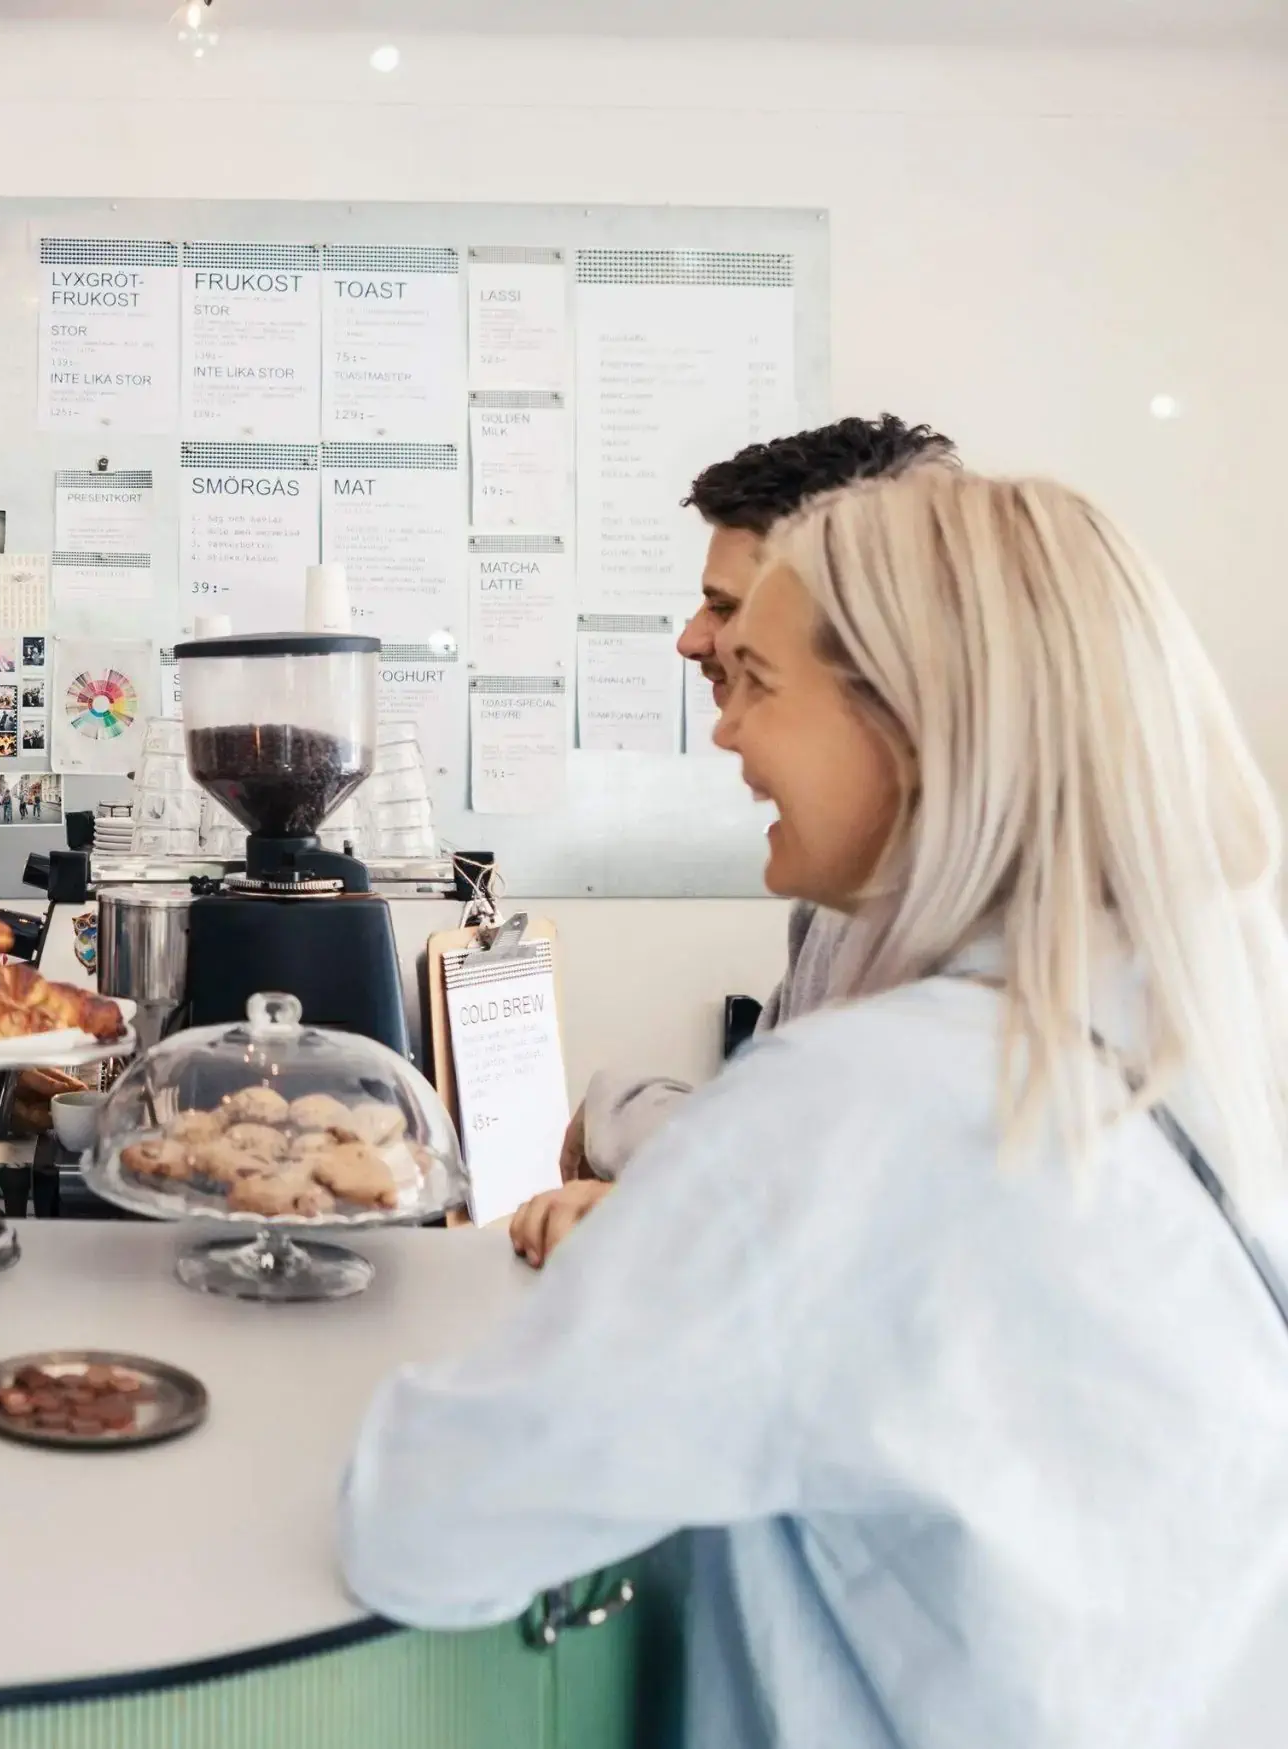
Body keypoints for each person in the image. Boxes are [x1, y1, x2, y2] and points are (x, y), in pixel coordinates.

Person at [341, 468, 1288, 1748]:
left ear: (914, 727)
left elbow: (424, 1524)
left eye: (758, 684)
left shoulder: (861, 1105)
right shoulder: (1190, 1033)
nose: (727, 735)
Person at [548, 416, 957, 1213]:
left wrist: (619, 1117)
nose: (693, 641)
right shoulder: (838, 895)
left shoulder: (980, 949)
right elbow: (778, 1136)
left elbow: (808, 1182)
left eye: (728, 611)